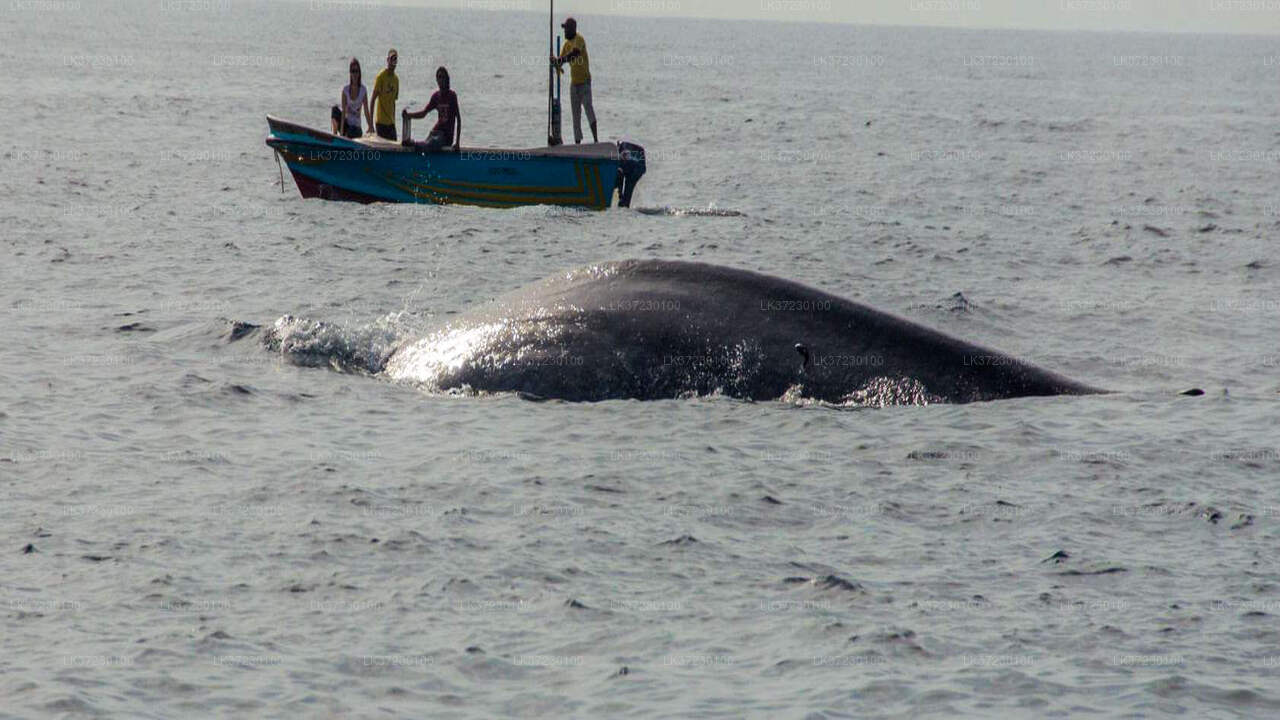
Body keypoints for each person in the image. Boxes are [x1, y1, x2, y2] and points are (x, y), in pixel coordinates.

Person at [551, 17, 597, 144]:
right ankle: (578, 144)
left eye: (566, 29)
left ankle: (596, 140)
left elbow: (574, 54)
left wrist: (560, 60)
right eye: (564, 29)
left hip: (585, 83)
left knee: (588, 109)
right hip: (574, 84)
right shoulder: (566, 45)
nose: (564, 31)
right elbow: (560, 63)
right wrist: (555, 62)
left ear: (573, 29)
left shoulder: (579, 40)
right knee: (575, 116)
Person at [403, 67, 461, 152]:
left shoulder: (452, 96)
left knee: (430, 144)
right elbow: (423, 113)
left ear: (447, 79)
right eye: (438, 77)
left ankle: (413, 143)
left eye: (442, 77)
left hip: (446, 136)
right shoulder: (436, 96)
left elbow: (458, 119)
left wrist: (457, 143)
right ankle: (412, 145)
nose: (440, 80)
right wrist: (409, 115)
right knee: (426, 145)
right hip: (435, 132)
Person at [331, 58, 372, 139]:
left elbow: (366, 110)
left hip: (356, 128)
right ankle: (335, 136)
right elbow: (343, 113)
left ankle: (345, 135)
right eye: (353, 71)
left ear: (359, 73)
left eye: (356, 71)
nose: (355, 74)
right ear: (350, 73)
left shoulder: (363, 90)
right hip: (347, 124)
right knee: (334, 109)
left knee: (352, 131)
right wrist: (341, 131)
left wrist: (371, 127)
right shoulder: (345, 90)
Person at [370, 49, 399, 141]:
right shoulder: (381, 77)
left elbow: (394, 102)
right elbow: (373, 99)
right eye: (391, 59)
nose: (393, 62)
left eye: (395, 59)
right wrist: (370, 124)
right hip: (381, 122)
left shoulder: (396, 79)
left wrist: (394, 121)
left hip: (391, 123)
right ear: (387, 60)